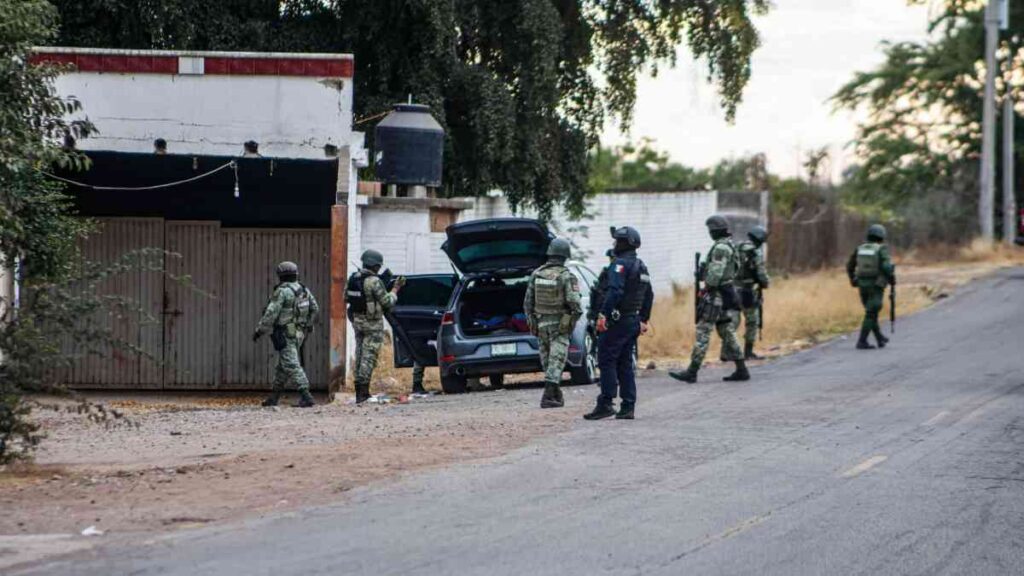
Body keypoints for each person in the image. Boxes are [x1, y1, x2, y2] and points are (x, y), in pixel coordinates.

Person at [584, 226, 653, 420]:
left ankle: (606, 403)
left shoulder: (618, 265)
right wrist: (644, 319)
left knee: (606, 360)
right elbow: (649, 294)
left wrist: (603, 315)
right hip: (632, 321)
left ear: (623, 243)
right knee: (624, 363)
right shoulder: (641, 265)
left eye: (616, 241)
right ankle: (627, 406)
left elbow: (615, 291)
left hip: (617, 321)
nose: (614, 244)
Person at [670, 215, 749, 384]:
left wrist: (706, 288)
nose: (709, 233)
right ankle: (742, 369)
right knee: (727, 331)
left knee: (703, 331)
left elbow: (715, 274)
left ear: (715, 231)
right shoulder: (728, 245)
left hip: (716, 297)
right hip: (723, 295)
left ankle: (692, 371)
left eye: (710, 231)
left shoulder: (721, 247)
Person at [524, 238, 584, 408]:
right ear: (565, 256)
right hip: (559, 326)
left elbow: (528, 304)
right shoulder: (566, 276)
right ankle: (548, 397)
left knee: (548, 360)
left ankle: (556, 395)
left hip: (541, 325)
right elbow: (576, 305)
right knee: (557, 359)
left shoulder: (536, 274)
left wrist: (533, 323)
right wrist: (569, 323)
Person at [253, 261, 320, 407]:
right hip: (299, 334)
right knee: (282, 367)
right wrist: (307, 325)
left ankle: (306, 395)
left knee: (291, 364)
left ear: (280, 276)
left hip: (285, 334)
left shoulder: (282, 292)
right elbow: (315, 308)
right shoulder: (304, 290)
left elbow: (271, 313)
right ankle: (274, 397)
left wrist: (260, 330)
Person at [347, 249, 404, 403]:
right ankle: (363, 393)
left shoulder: (353, 278)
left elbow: (346, 297)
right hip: (372, 323)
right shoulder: (374, 281)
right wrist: (395, 289)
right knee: (369, 356)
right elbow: (387, 302)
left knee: (359, 353)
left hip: (357, 321)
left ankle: (359, 389)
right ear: (376, 266)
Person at [846, 224, 895, 349]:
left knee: (870, 313)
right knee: (871, 313)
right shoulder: (881, 249)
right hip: (876, 285)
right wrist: (891, 277)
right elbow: (886, 267)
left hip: (862, 285)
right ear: (882, 236)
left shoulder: (860, 248)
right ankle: (862, 341)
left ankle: (879, 338)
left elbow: (849, 265)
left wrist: (852, 279)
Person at [733, 225, 770, 360]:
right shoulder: (755, 252)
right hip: (748, 291)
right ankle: (748, 352)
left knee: (732, 322)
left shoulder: (737, 246)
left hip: (733, 289)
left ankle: (727, 352)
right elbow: (761, 274)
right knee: (752, 321)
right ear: (759, 239)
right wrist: (765, 283)